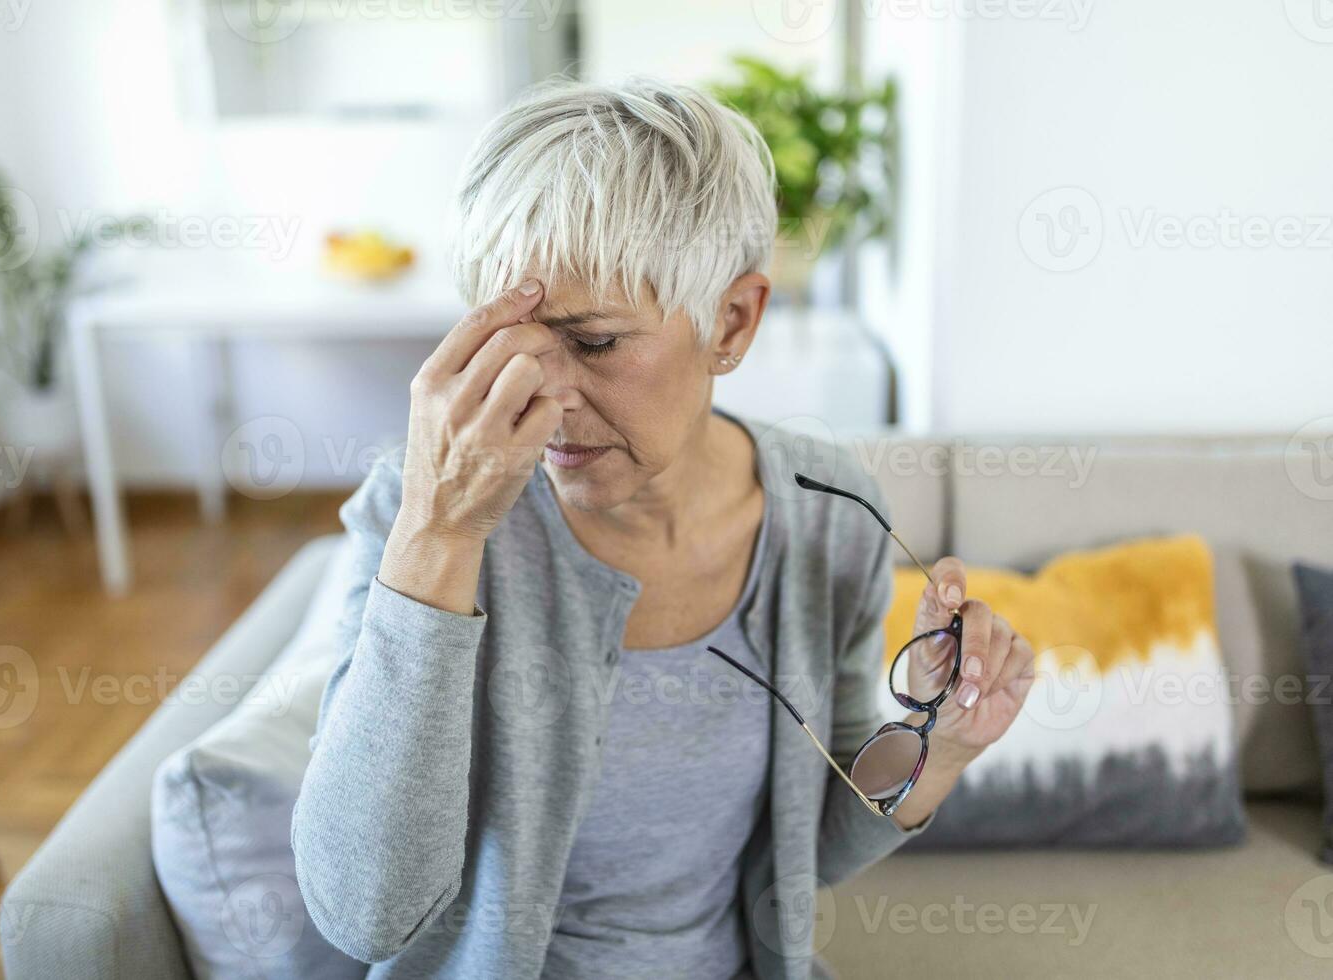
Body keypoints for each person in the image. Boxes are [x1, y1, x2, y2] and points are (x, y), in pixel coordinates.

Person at [293, 77, 1035, 980]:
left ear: (733, 321)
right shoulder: (422, 512)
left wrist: (943, 744)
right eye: (509, 343)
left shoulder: (825, 510)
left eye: (597, 342)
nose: (545, 395)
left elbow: (811, 858)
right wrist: (438, 536)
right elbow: (363, 916)